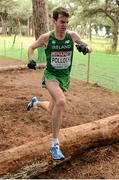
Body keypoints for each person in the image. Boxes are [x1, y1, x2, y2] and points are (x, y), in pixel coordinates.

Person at [27, 7, 92, 160]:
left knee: (52, 109)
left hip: (64, 77)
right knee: (61, 102)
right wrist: (30, 59)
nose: (64, 25)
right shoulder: (47, 38)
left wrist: (85, 48)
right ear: (54, 21)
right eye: (62, 22)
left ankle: (36, 102)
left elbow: (90, 48)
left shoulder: (72, 36)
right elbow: (31, 47)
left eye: (67, 22)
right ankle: (55, 144)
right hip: (51, 76)